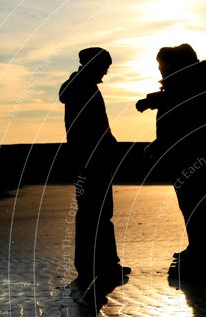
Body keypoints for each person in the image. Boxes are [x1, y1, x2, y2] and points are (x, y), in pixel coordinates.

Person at [136, 44, 206, 265]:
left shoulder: (194, 82)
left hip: (193, 150)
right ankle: (205, 241)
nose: (160, 69)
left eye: (162, 65)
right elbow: (175, 102)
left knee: (192, 198)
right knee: (191, 198)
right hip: (188, 148)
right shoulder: (192, 80)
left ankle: (204, 244)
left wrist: (159, 142)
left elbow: (182, 115)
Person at [59, 47, 130, 283]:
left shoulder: (80, 88)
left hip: (84, 159)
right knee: (96, 212)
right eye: (103, 68)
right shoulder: (83, 88)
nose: (105, 73)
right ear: (93, 66)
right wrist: (108, 144)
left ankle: (97, 264)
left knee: (92, 213)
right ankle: (101, 264)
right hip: (91, 160)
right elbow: (93, 128)